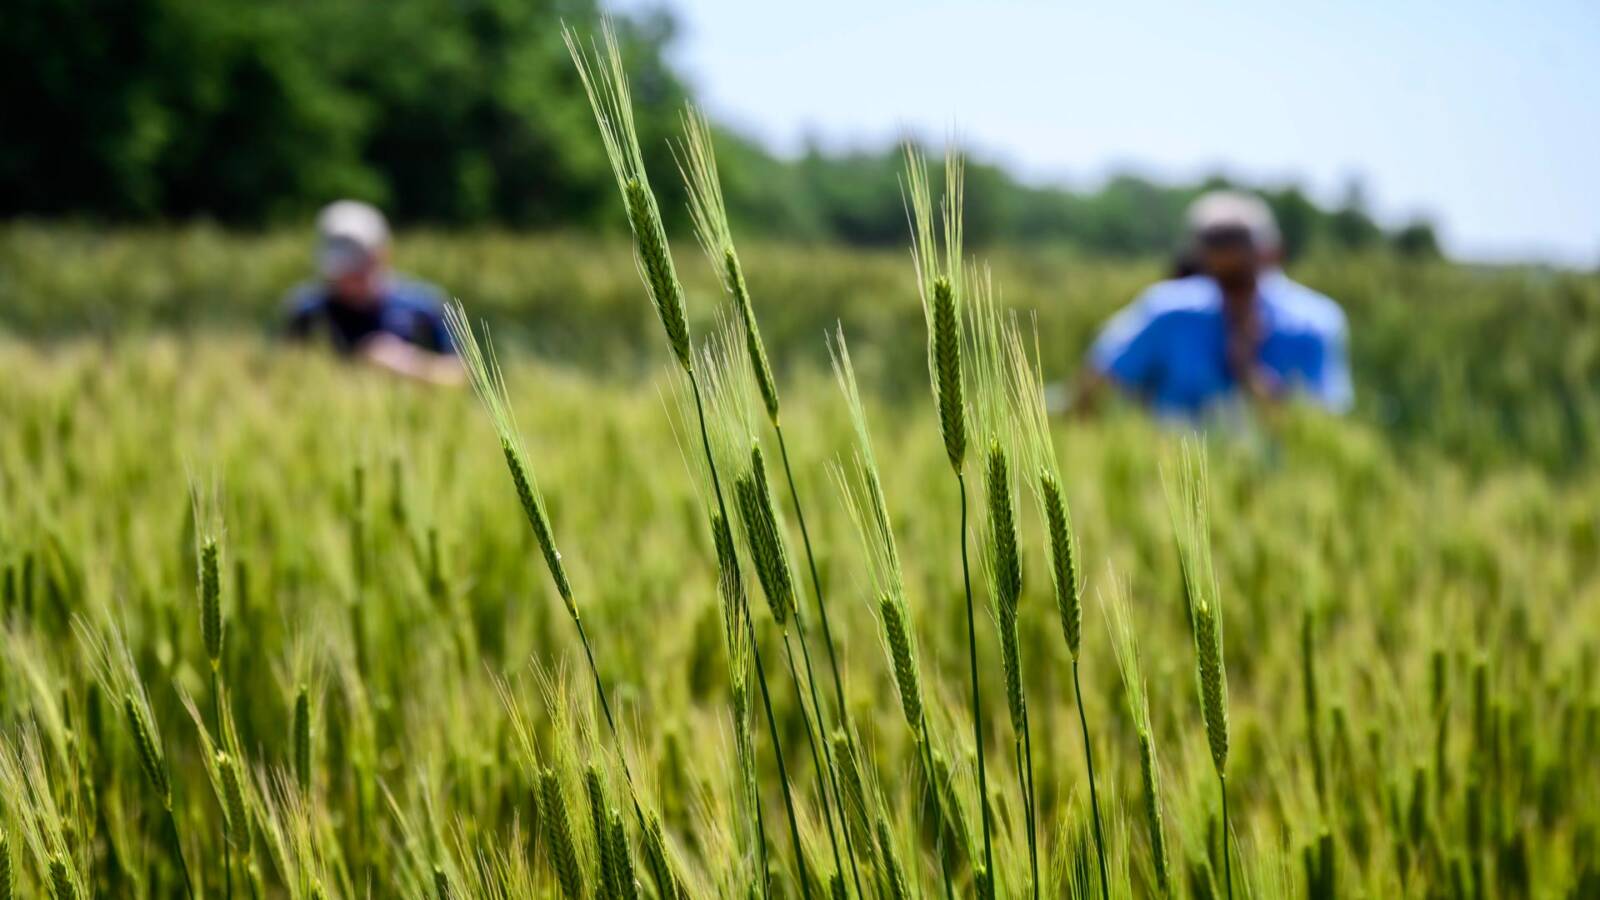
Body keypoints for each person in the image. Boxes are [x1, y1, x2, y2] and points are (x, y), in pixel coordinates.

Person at [1078, 191, 1351, 420]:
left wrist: (1248, 371)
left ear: (1270, 255)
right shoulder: (1169, 312)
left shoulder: (1313, 324)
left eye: (1240, 276)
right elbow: (1095, 387)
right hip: (1170, 475)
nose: (1231, 295)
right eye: (1217, 271)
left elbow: (1319, 426)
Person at [284, 200, 463, 385]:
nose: (346, 278)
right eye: (339, 269)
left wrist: (405, 364)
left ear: (381, 255)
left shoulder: (423, 306)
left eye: (356, 267)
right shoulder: (308, 313)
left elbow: (461, 375)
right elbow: (284, 376)